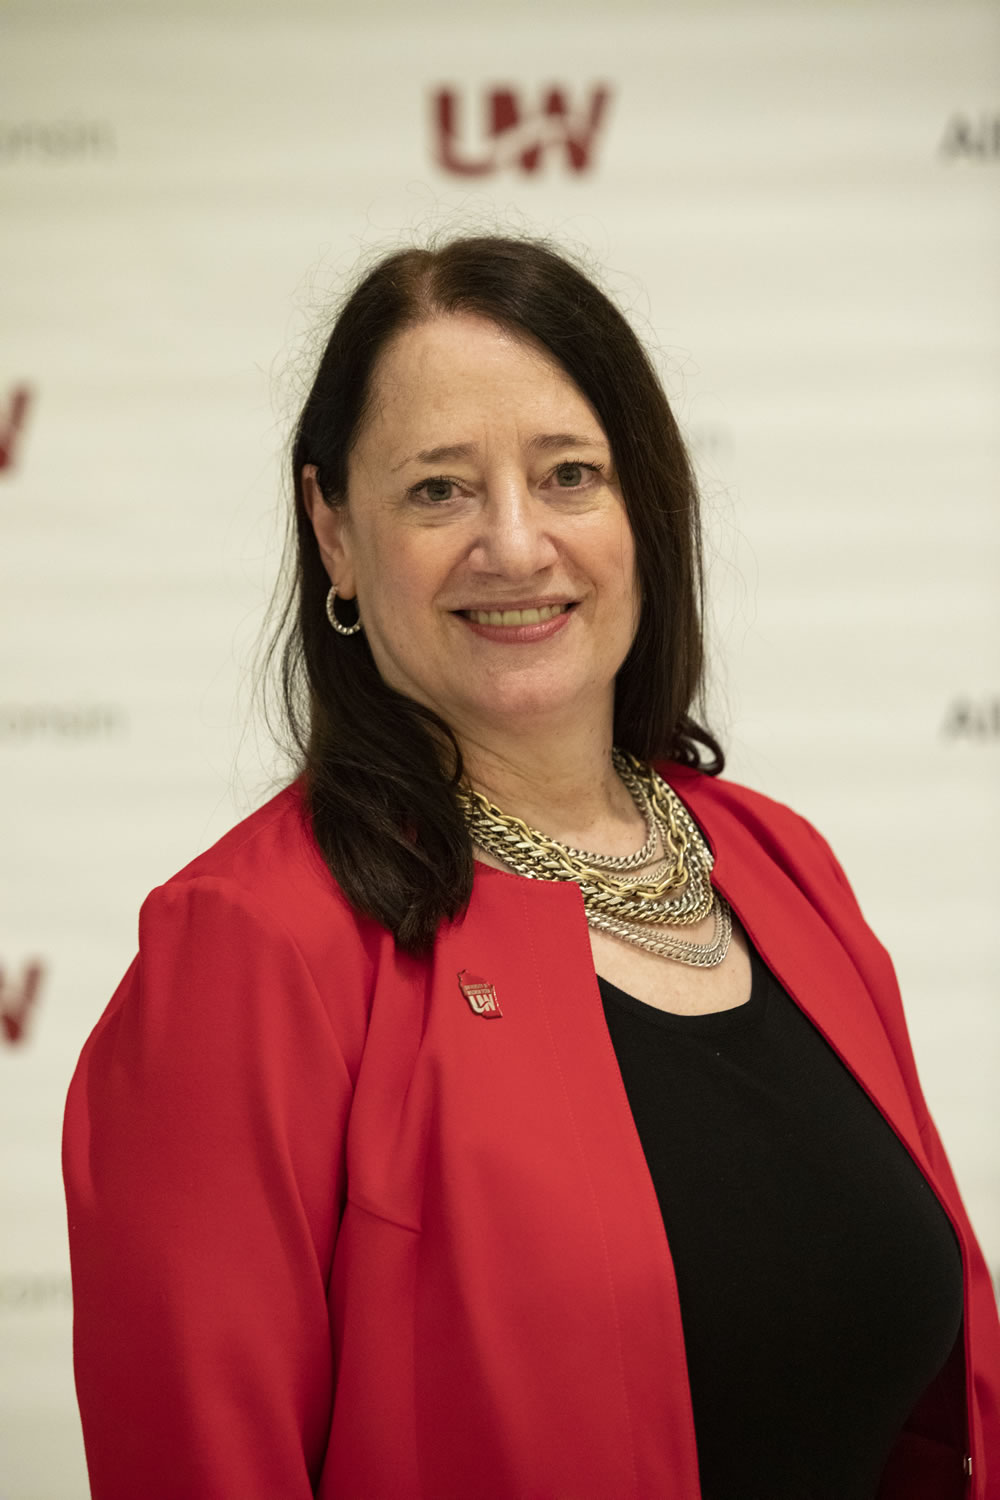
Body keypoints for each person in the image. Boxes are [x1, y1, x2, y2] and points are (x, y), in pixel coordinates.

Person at [63, 235, 1000, 1500]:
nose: (514, 545)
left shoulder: (778, 863)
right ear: (334, 532)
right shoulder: (255, 943)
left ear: (641, 506)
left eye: (569, 475)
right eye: (438, 490)